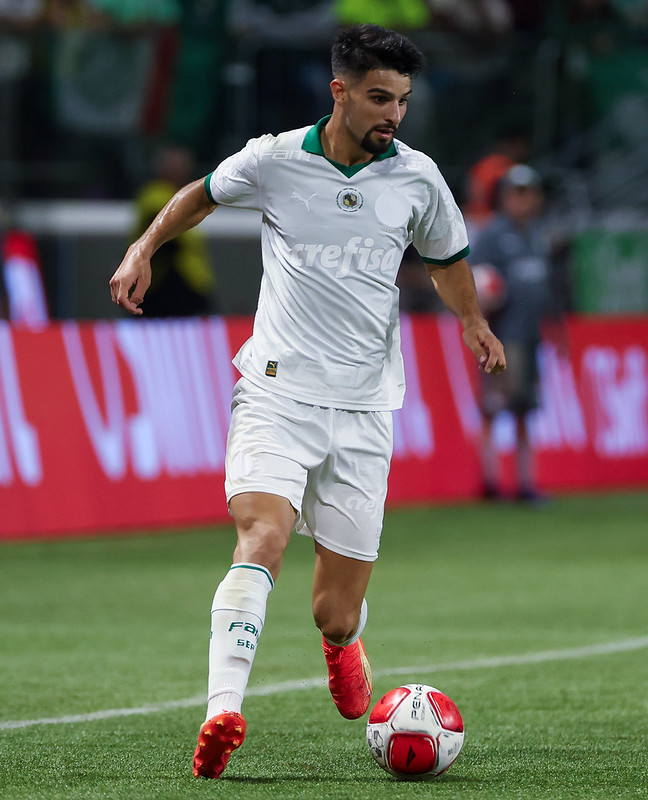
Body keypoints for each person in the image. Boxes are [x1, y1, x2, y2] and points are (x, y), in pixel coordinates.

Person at [109, 23, 506, 779]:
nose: (393, 113)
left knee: (336, 607)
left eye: (403, 100)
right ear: (341, 92)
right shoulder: (276, 159)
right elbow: (199, 194)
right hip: (276, 393)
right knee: (260, 535)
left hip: (362, 411)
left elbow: (446, 258)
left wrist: (472, 321)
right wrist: (142, 247)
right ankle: (222, 708)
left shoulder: (418, 178)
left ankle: (342, 644)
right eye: (379, 98)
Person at [470, 163, 565, 504]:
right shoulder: (494, 234)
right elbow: (476, 280)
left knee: (524, 408)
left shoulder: (538, 234)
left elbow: (547, 289)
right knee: (494, 406)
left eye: (529, 193)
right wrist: (485, 302)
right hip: (503, 335)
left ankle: (524, 481)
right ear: (505, 197)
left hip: (530, 334)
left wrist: (557, 331)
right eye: (517, 193)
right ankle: (490, 480)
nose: (523, 200)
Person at [131, 144, 216, 317]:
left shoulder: (183, 193)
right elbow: (164, 236)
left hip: (191, 281)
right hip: (164, 285)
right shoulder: (154, 194)